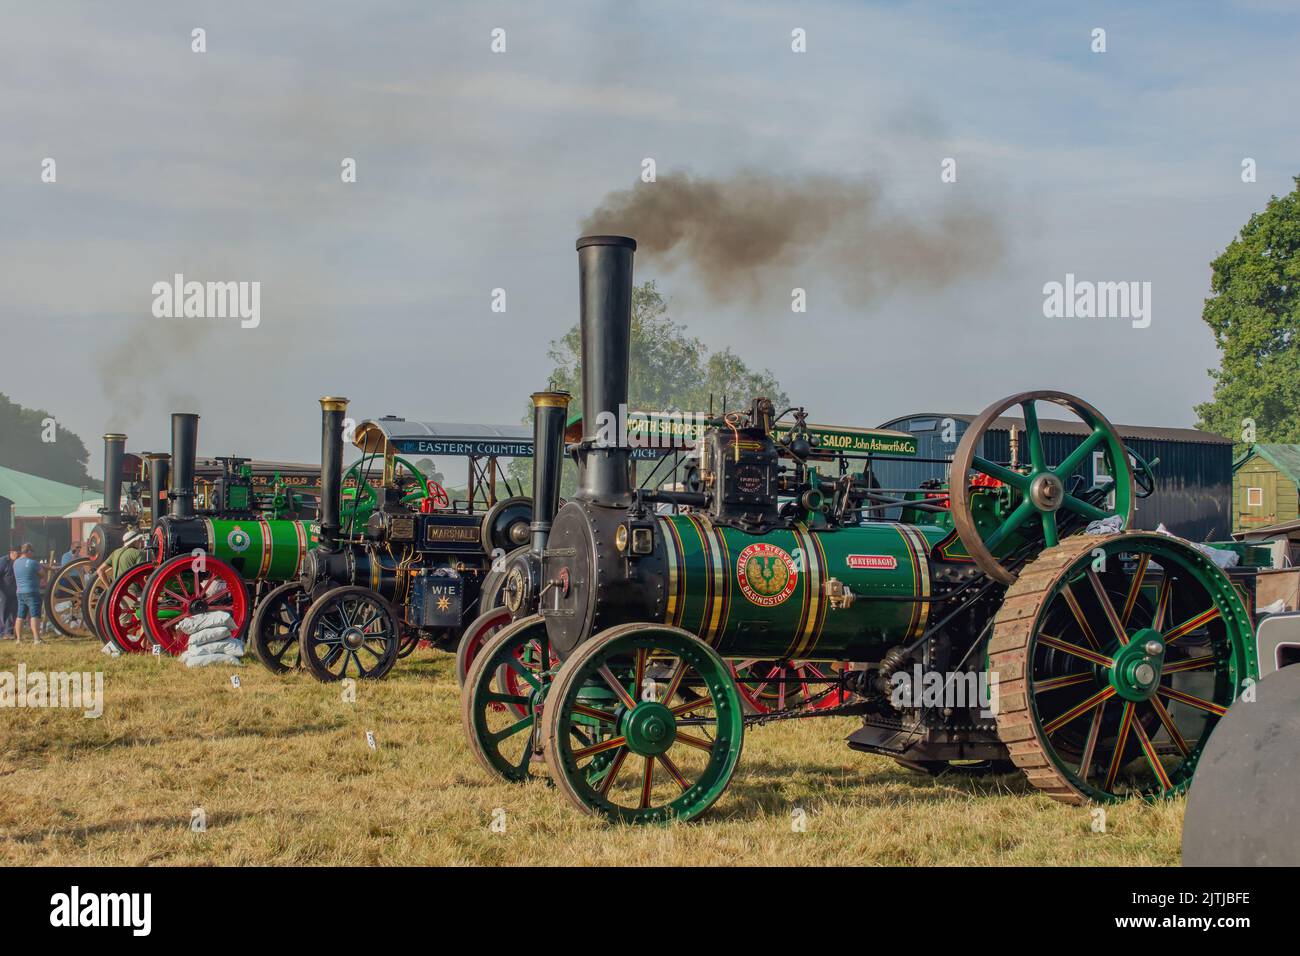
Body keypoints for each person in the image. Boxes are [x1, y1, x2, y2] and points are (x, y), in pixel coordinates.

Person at [13, 543, 46, 644]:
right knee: (35, 615)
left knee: (20, 616)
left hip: (20, 592)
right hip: (32, 591)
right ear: (29, 551)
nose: (33, 554)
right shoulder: (33, 563)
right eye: (32, 552)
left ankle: (19, 639)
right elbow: (42, 574)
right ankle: (36, 639)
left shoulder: (15, 563)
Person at [0, 545, 16, 638]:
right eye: (16, 553)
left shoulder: (17, 562)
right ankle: (3, 632)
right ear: (11, 552)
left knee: (12, 611)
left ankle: (9, 632)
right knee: (4, 611)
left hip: (13, 591)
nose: (17, 556)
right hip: (3, 592)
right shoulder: (3, 561)